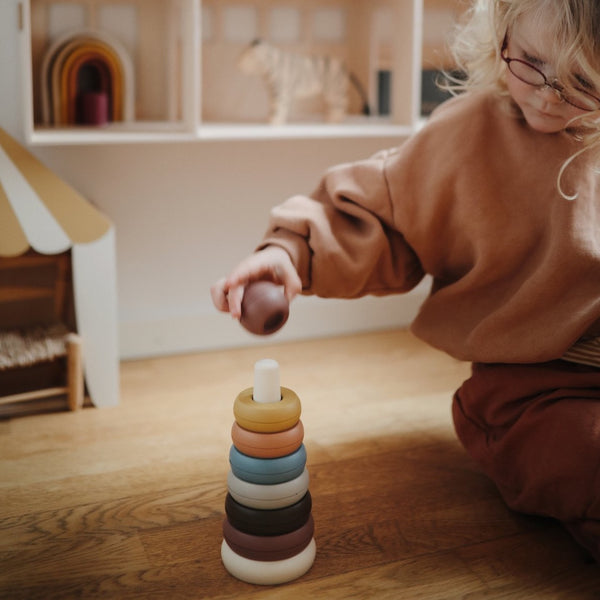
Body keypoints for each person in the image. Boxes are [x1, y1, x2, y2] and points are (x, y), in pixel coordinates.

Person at [211, 0, 600, 561]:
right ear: (503, 34)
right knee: (587, 455)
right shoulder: (469, 134)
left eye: (581, 80)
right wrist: (290, 252)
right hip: (531, 389)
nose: (546, 94)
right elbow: (381, 215)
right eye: (531, 63)